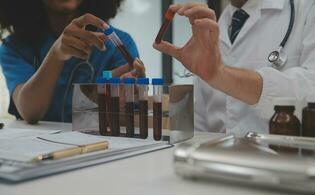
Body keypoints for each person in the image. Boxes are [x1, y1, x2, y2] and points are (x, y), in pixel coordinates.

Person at [154, 0, 315, 135]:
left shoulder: (307, 7)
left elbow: (311, 91)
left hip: (286, 163)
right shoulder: (218, 23)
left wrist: (220, 75)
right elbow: (201, 123)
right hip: (217, 163)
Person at [0, 0, 145, 123]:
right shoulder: (14, 47)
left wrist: (124, 101)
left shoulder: (119, 44)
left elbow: (128, 118)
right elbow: (30, 112)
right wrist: (56, 54)